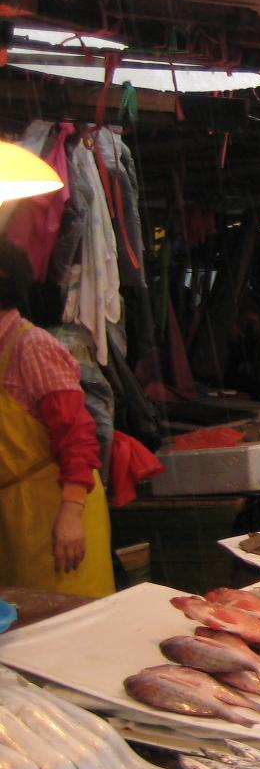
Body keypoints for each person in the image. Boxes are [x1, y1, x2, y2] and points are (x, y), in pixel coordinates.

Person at [0, 239, 114, 597]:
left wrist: (71, 514)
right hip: (16, 515)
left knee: (69, 620)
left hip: (56, 508)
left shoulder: (31, 346)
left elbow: (78, 434)